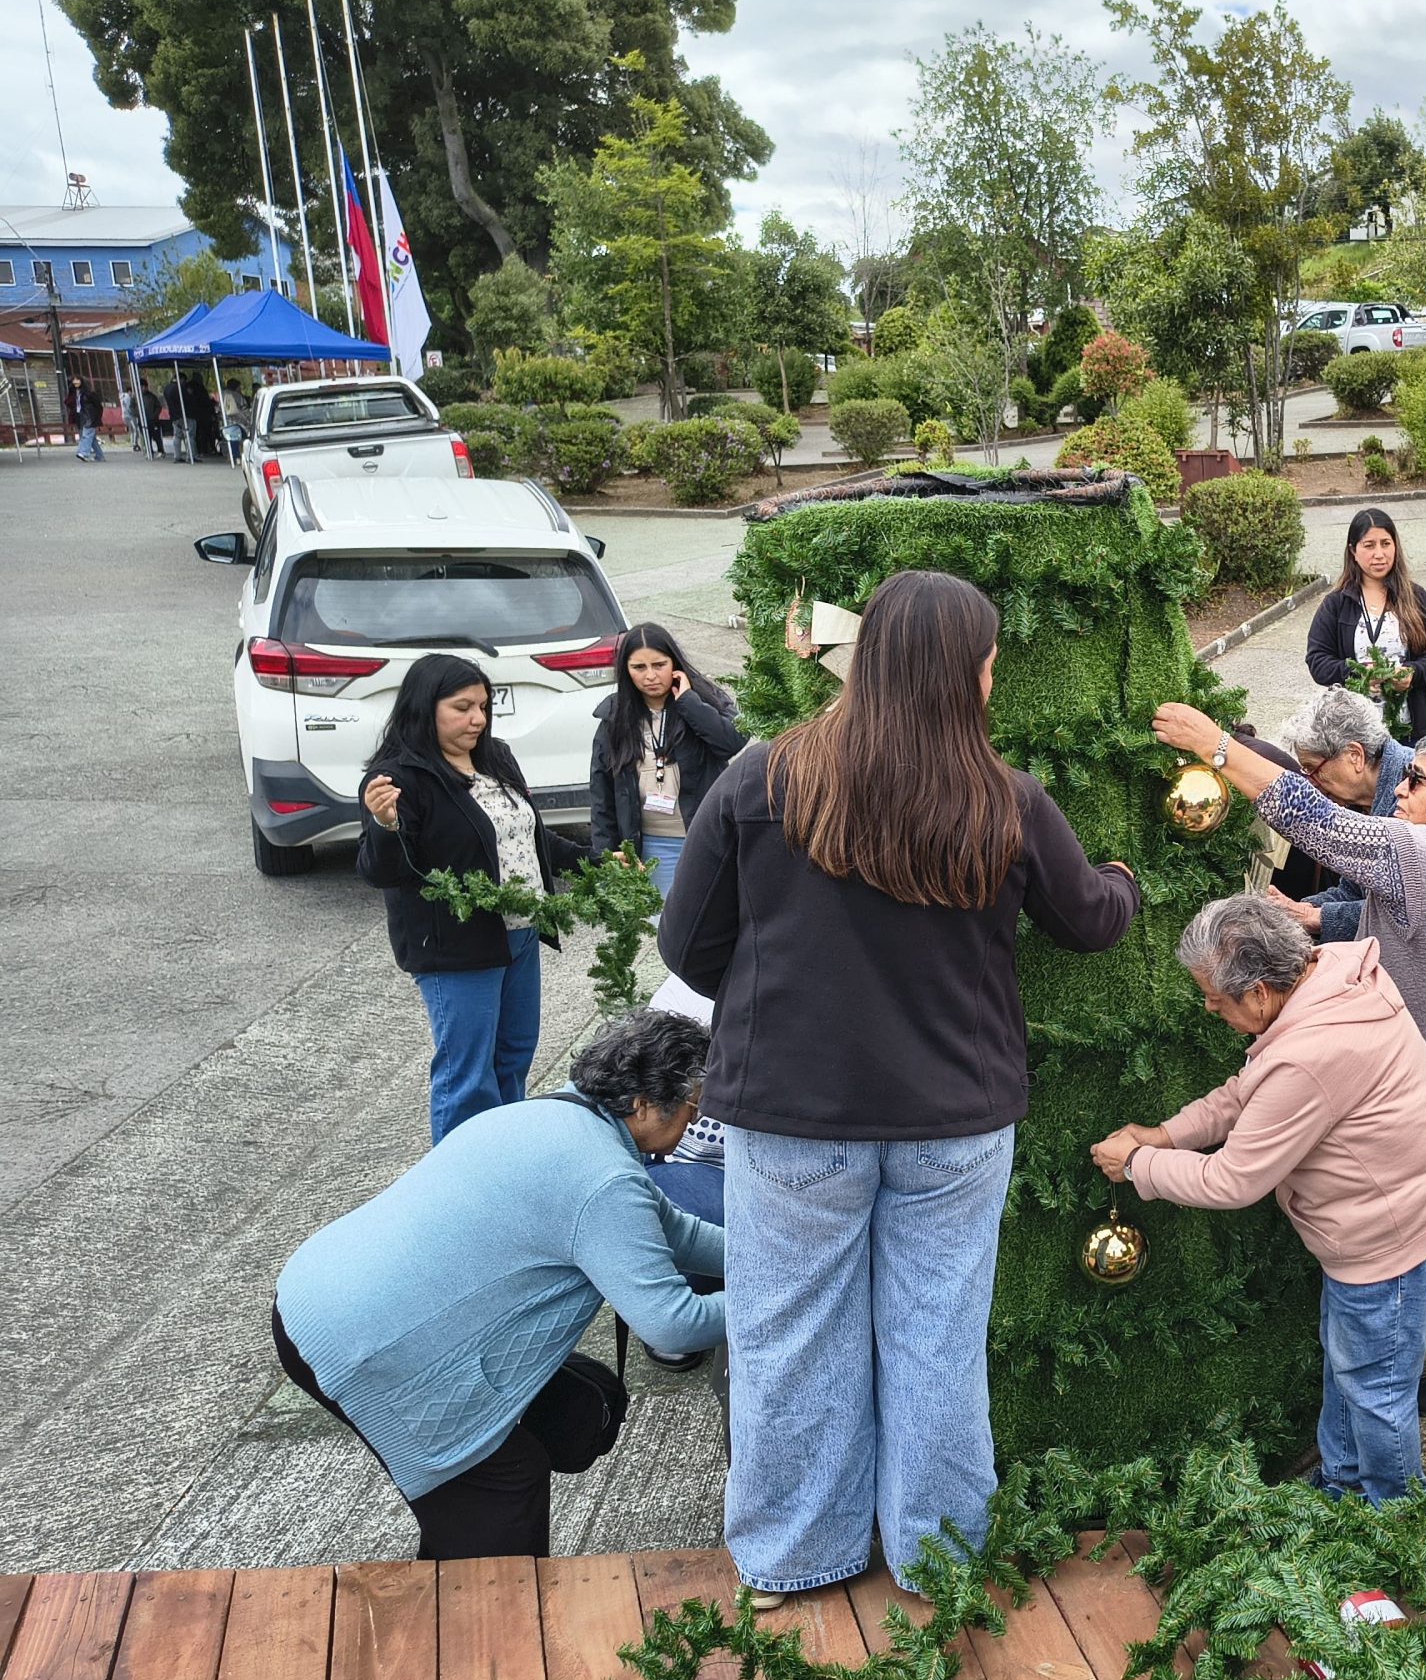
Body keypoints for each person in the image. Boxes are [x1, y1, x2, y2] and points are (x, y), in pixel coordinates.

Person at [659, 569, 1138, 1604]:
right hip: (952, 1122)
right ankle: (940, 1558)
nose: (997, 671)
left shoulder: (760, 778)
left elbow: (689, 949)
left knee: (787, 1339)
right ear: (964, 671)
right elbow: (1093, 920)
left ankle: (793, 1556)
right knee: (937, 1338)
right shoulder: (1004, 798)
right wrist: (1127, 879)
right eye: (990, 656)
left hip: (791, 1117)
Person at [1151, 703, 1426, 1411]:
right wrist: (1336, 920)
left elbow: (1313, 819)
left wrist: (1216, 746)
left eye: (1419, 782)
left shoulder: (1417, 852)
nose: (1400, 785)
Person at [273, 1009, 724, 1559]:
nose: (696, 1123)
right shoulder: (603, 1178)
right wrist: (777, 1298)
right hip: (365, 1348)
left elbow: (672, 1229)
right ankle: (461, 1632)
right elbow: (671, 1323)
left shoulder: (548, 1117)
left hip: (312, 1291)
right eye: (695, 1107)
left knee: (588, 1407)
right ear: (643, 1105)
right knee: (506, 1487)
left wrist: (769, 1264)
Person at [1092, 895, 1426, 1504]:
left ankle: (1394, 1517)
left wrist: (1139, 1164)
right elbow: (1248, 1093)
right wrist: (1163, 1135)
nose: (1208, 1008)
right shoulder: (1331, 977)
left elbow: (1232, 1180)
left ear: (1260, 993)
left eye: (1215, 1000)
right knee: (1350, 1362)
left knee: (1376, 1389)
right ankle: (1341, 1481)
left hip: (1392, 1236)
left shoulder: (1308, 1054)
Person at [358, 653, 590, 1145]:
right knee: (467, 1075)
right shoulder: (400, 779)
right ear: (426, 708)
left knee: (514, 1056)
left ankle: (503, 1161)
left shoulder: (495, 756)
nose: (477, 719)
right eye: (462, 707)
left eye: (483, 706)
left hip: (521, 934)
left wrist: (595, 861)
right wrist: (384, 825)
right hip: (458, 949)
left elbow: (526, 839)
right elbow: (382, 871)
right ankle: (458, 1182)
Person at [588, 622, 746, 895]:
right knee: (665, 928)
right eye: (639, 668)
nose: (650, 676)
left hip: (705, 840)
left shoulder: (702, 699)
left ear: (674, 662)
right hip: (651, 844)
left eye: (659, 665)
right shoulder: (614, 716)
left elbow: (731, 741)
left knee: (709, 924)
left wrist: (688, 702)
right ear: (626, 670)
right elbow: (601, 792)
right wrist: (607, 852)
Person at [1270, 687, 1414, 936]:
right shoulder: (1364, 802)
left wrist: (1313, 917)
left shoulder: (1418, 793)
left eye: (1312, 768)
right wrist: (1294, 910)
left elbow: (1408, 911)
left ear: (1355, 756)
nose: (1311, 782)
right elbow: (1352, 891)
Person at [1305, 509, 1426, 742]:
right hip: (1354, 734)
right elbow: (1317, 661)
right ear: (1353, 551)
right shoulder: (1337, 604)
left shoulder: (1416, 598)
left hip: (1410, 731)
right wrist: (1359, 673)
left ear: (1395, 546)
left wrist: (1413, 673)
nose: (1379, 554)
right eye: (1369, 545)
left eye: (1386, 543)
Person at [65, 376, 102, 462]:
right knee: (90, 438)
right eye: (74, 380)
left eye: (77, 380)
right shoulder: (74, 393)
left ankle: (84, 452)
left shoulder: (89, 393)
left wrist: (97, 417)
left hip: (90, 417)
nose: (75, 382)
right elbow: (68, 402)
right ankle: (100, 456)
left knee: (86, 435)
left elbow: (98, 406)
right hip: (80, 417)